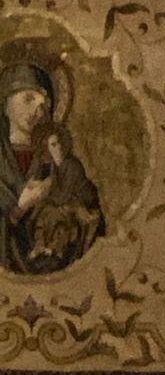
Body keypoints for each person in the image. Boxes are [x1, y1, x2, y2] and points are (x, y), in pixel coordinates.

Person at [0, 63, 104, 275]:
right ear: (5, 103)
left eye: (43, 106)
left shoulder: (58, 160)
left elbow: (92, 214)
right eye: (28, 99)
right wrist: (19, 209)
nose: (36, 112)